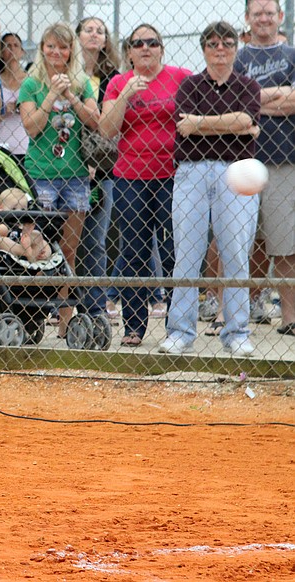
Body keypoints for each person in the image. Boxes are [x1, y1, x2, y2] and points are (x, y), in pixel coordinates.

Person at [159, 21, 261, 357]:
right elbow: (188, 126)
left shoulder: (247, 85)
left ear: (235, 48)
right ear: (204, 49)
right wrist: (233, 125)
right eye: (213, 44)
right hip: (192, 172)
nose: (220, 49)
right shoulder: (190, 85)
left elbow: (245, 121)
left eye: (227, 43)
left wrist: (201, 123)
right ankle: (180, 331)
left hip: (237, 173)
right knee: (187, 255)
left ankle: (236, 333)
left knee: (234, 254)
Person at [100, 24, 192, 347]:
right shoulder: (118, 82)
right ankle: (134, 326)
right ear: (129, 52)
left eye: (152, 42)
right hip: (130, 178)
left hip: (171, 176)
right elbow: (107, 129)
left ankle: (175, 327)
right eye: (137, 43)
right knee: (134, 251)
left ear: (162, 48)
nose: (145, 48)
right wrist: (126, 94)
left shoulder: (180, 77)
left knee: (172, 252)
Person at [18, 22, 100, 338]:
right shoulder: (32, 84)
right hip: (41, 175)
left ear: (71, 51)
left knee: (68, 251)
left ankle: (66, 319)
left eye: (63, 47)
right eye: (51, 46)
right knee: (37, 246)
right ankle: (34, 314)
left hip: (76, 176)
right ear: (42, 49)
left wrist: (72, 96)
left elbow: (95, 120)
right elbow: (31, 127)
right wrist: (52, 94)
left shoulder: (82, 83)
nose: (57, 53)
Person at [235, 0, 295, 337]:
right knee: (235, 241)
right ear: (247, 18)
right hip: (242, 157)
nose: (263, 17)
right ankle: (231, 317)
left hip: (284, 157)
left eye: (269, 12)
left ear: (280, 17)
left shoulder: (292, 55)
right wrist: (278, 96)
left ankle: (289, 318)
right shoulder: (239, 57)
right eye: (256, 12)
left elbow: (294, 100)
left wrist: (255, 100)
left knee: (285, 243)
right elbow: (234, 101)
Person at [75, 17, 120, 324]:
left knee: (95, 241)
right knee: (63, 241)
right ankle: (60, 304)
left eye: (99, 31)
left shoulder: (113, 78)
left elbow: (109, 126)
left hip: (101, 170)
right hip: (64, 167)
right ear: (77, 37)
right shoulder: (64, 75)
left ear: (106, 40)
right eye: (88, 29)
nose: (94, 34)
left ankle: (94, 304)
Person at [0, 32, 30, 157]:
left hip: (24, 146)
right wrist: (3, 111)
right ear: (0, 52)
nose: (11, 48)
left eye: (15, 45)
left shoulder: (30, 81)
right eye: (7, 45)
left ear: (22, 52)